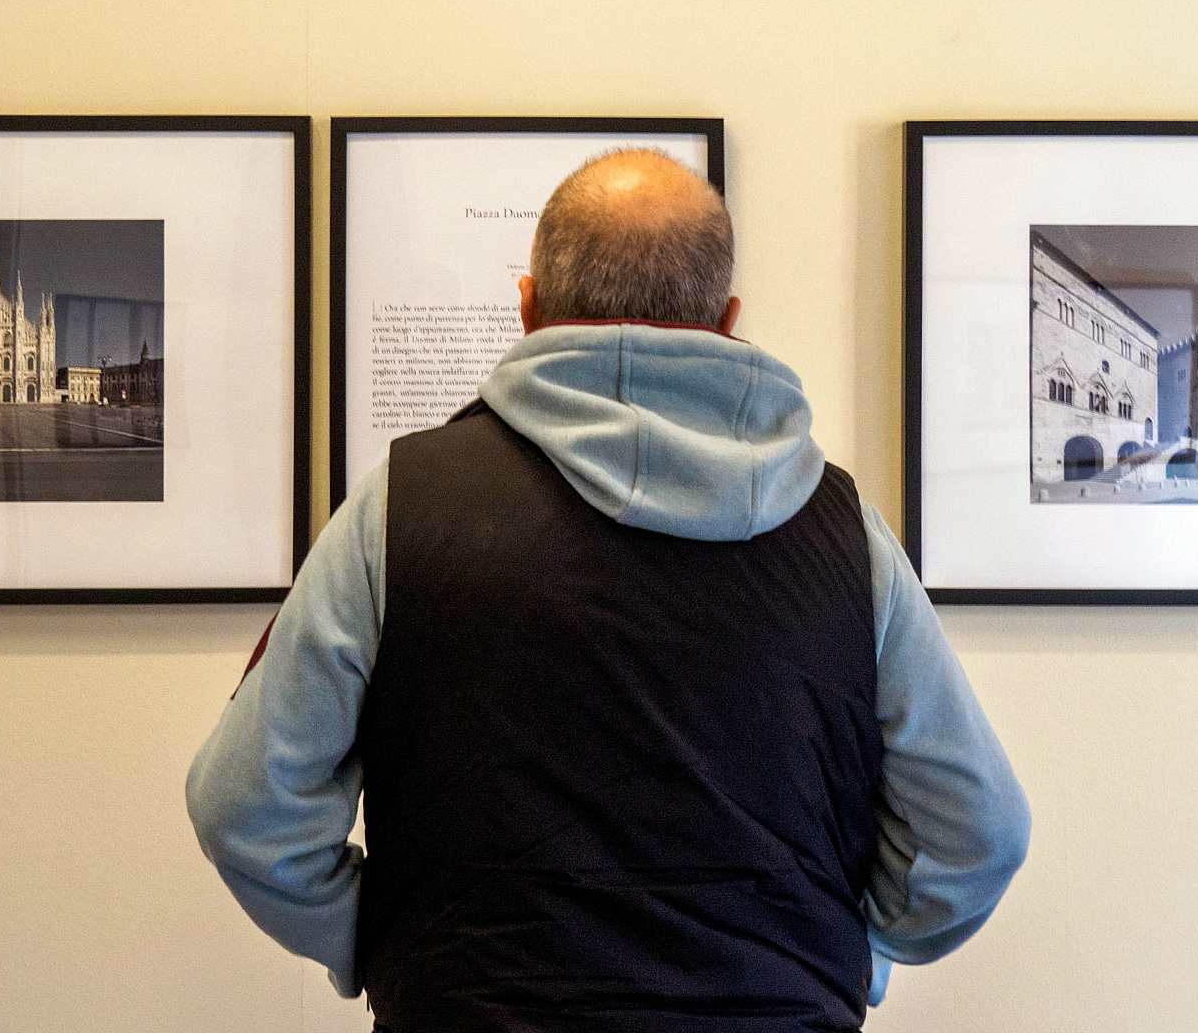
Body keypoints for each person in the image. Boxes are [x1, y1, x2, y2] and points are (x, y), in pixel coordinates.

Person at [187, 149, 1029, 1030]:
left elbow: (246, 809)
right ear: (729, 318)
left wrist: (383, 940)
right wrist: (848, 953)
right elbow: (981, 834)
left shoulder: (400, 508)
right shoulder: (844, 531)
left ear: (528, 309)